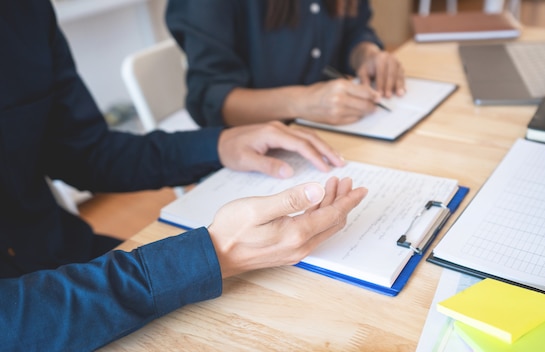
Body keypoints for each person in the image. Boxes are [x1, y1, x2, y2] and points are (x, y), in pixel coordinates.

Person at [0, 1, 368, 350]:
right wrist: (212, 254)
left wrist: (219, 144)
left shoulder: (24, 12)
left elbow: (81, 153)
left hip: (73, 258)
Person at [166, 0, 406, 127]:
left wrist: (366, 53)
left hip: (333, 133)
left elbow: (353, 31)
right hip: (253, 151)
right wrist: (303, 102)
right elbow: (211, 100)